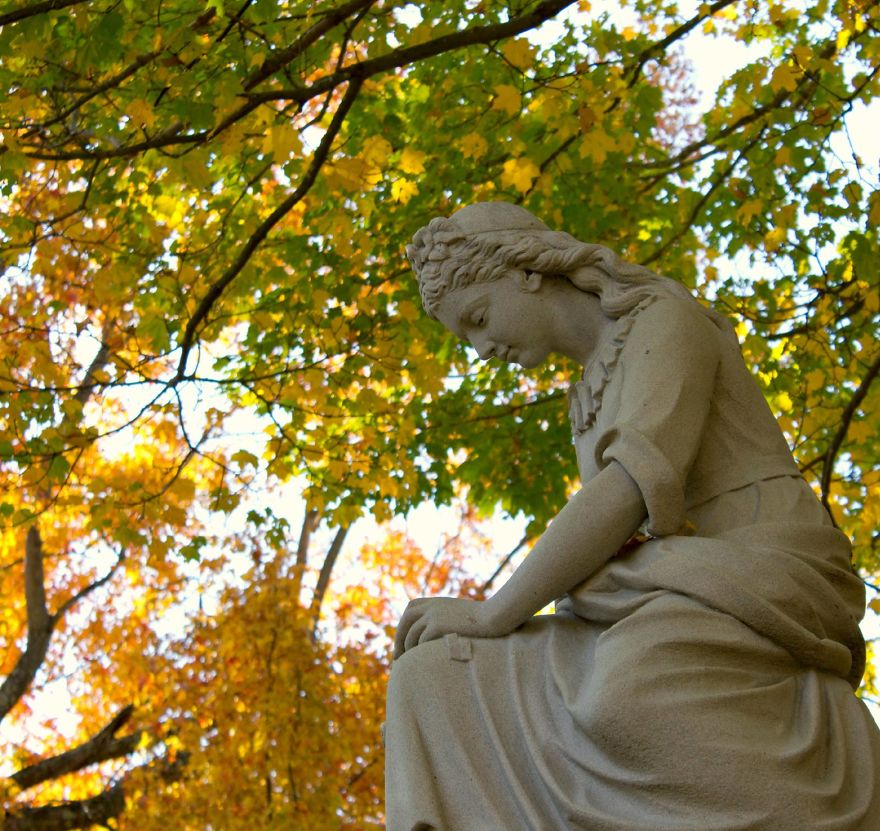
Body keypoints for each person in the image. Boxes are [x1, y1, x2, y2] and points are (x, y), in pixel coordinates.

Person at [384, 202, 880, 831]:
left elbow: (626, 493)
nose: (483, 348)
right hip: (666, 583)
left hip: (761, 562)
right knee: (432, 677)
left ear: (527, 272)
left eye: (479, 318)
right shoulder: (583, 392)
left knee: (628, 691)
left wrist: (494, 612)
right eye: (467, 338)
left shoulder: (665, 318)